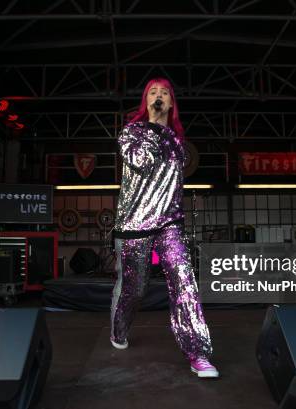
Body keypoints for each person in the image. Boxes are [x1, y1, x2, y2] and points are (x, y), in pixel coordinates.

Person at [110, 78, 219, 378]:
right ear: (146, 103)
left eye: (165, 94)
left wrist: (165, 131)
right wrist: (154, 126)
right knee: (135, 289)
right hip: (134, 225)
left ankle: (198, 353)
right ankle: (119, 330)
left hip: (170, 224)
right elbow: (140, 161)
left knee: (185, 279)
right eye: (153, 94)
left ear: (172, 104)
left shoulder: (179, 144)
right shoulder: (131, 133)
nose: (159, 97)